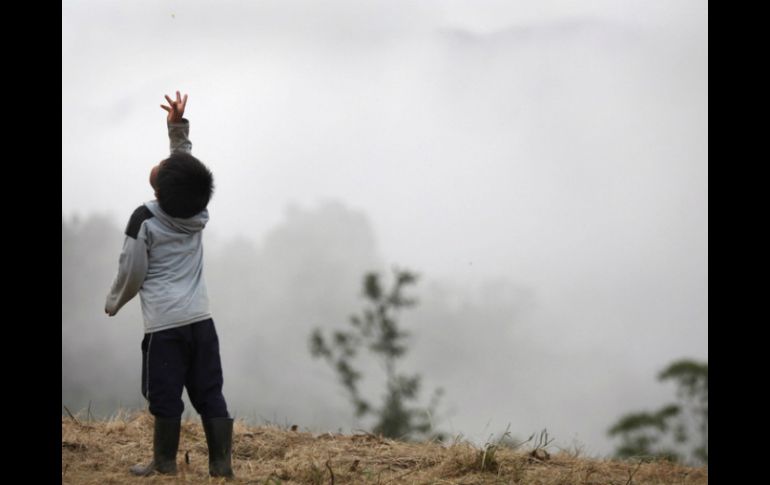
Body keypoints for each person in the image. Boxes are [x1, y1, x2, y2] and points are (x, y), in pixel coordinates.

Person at [105, 91, 234, 479]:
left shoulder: (144, 218)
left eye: (163, 167)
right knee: (209, 390)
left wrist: (114, 301)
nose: (163, 164)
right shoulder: (197, 209)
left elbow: (132, 270)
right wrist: (176, 128)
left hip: (165, 327)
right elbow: (185, 168)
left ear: (159, 190)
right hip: (201, 320)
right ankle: (221, 466)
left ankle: (163, 463)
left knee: (164, 395)